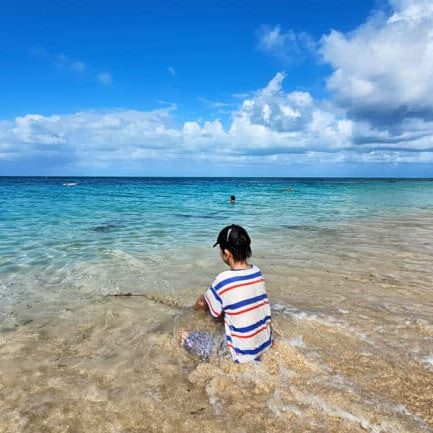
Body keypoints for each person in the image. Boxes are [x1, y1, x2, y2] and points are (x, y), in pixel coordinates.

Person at [182, 224, 272, 363]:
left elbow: (201, 303)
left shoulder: (223, 280)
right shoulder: (257, 272)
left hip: (240, 356)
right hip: (265, 346)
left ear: (227, 253)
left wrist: (192, 312)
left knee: (184, 336)